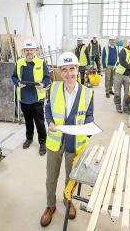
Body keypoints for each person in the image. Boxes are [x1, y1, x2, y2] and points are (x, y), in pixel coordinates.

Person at [40, 52, 95, 227]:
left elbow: (89, 116)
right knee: (51, 176)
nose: (69, 74)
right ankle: (50, 205)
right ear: (60, 72)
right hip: (55, 139)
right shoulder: (54, 88)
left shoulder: (87, 93)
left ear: (78, 69)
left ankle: (68, 199)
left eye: (72, 69)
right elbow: (48, 109)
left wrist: (86, 132)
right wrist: (49, 122)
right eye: (64, 70)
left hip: (75, 141)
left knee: (71, 175)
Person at [11, 39, 51, 155]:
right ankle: (29, 138)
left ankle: (42, 142)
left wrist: (43, 84)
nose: (29, 52)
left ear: (35, 51)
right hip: (24, 99)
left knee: (39, 122)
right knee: (28, 121)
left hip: (36, 99)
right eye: (27, 50)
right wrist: (18, 83)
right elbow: (13, 77)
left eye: (31, 50)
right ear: (24, 51)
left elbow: (47, 78)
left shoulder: (41, 63)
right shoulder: (19, 63)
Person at [113, 37, 130, 114]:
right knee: (117, 93)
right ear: (128, 43)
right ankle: (118, 106)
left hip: (129, 76)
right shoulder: (123, 51)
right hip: (119, 74)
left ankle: (126, 107)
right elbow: (122, 62)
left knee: (128, 93)